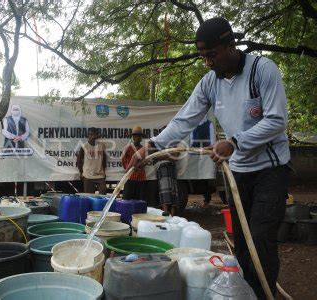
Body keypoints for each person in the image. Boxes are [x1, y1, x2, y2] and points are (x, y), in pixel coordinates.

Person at [132, 17, 290, 299]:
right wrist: (150, 147)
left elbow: (277, 120)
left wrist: (234, 142)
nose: (207, 62)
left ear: (231, 45)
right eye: (203, 56)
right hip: (237, 171)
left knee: (261, 238)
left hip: (270, 170)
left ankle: (262, 294)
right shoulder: (209, 83)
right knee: (241, 241)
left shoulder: (261, 70)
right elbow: (184, 120)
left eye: (212, 55)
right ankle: (244, 292)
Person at [189, 117, 216, 205]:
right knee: (195, 176)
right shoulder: (193, 124)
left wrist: (206, 149)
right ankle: (208, 193)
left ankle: (207, 197)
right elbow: (191, 140)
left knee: (204, 177)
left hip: (206, 154)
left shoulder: (209, 124)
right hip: (195, 153)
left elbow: (212, 141)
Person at [77, 127, 107, 194]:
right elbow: (79, 160)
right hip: (88, 175)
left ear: (98, 136)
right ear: (88, 136)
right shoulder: (84, 146)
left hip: (100, 175)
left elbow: (104, 159)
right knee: (89, 196)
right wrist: (81, 172)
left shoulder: (101, 145)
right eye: (91, 134)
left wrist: (104, 171)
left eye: (95, 134)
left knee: (103, 194)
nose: (93, 136)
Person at [121, 126, 146, 200]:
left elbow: (145, 162)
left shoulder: (143, 149)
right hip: (130, 178)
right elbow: (123, 160)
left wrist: (139, 166)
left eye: (139, 136)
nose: (137, 137)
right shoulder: (128, 148)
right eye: (135, 135)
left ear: (141, 137)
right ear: (133, 137)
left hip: (141, 179)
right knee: (127, 200)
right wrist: (129, 168)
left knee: (139, 201)